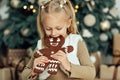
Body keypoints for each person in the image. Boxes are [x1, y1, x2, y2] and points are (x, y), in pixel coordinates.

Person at [21, 0, 96, 80]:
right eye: (48, 29)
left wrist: (69, 66)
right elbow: (24, 74)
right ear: (43, 26)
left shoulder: (76, 42)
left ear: (68, 23)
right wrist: (33, 71)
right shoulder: (41, 45)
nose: (53, 33)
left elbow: (91, 73)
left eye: (58, 28)